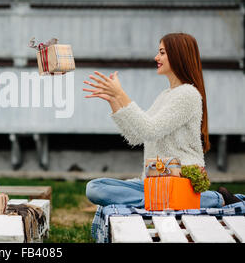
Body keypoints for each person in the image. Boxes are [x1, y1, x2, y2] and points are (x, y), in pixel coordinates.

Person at [83, 32, 242, 208]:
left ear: (178, 55)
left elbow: (150, 130)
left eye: (162, 52)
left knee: (104, 193)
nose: (156, 57)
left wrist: (121, 94)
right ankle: (161, 201)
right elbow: (136, 136)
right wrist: (113, 100)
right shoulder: (165, 95)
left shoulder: (188, 94)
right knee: (95, 187)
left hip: (179, 180)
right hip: (153, 181)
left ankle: (214, 198)